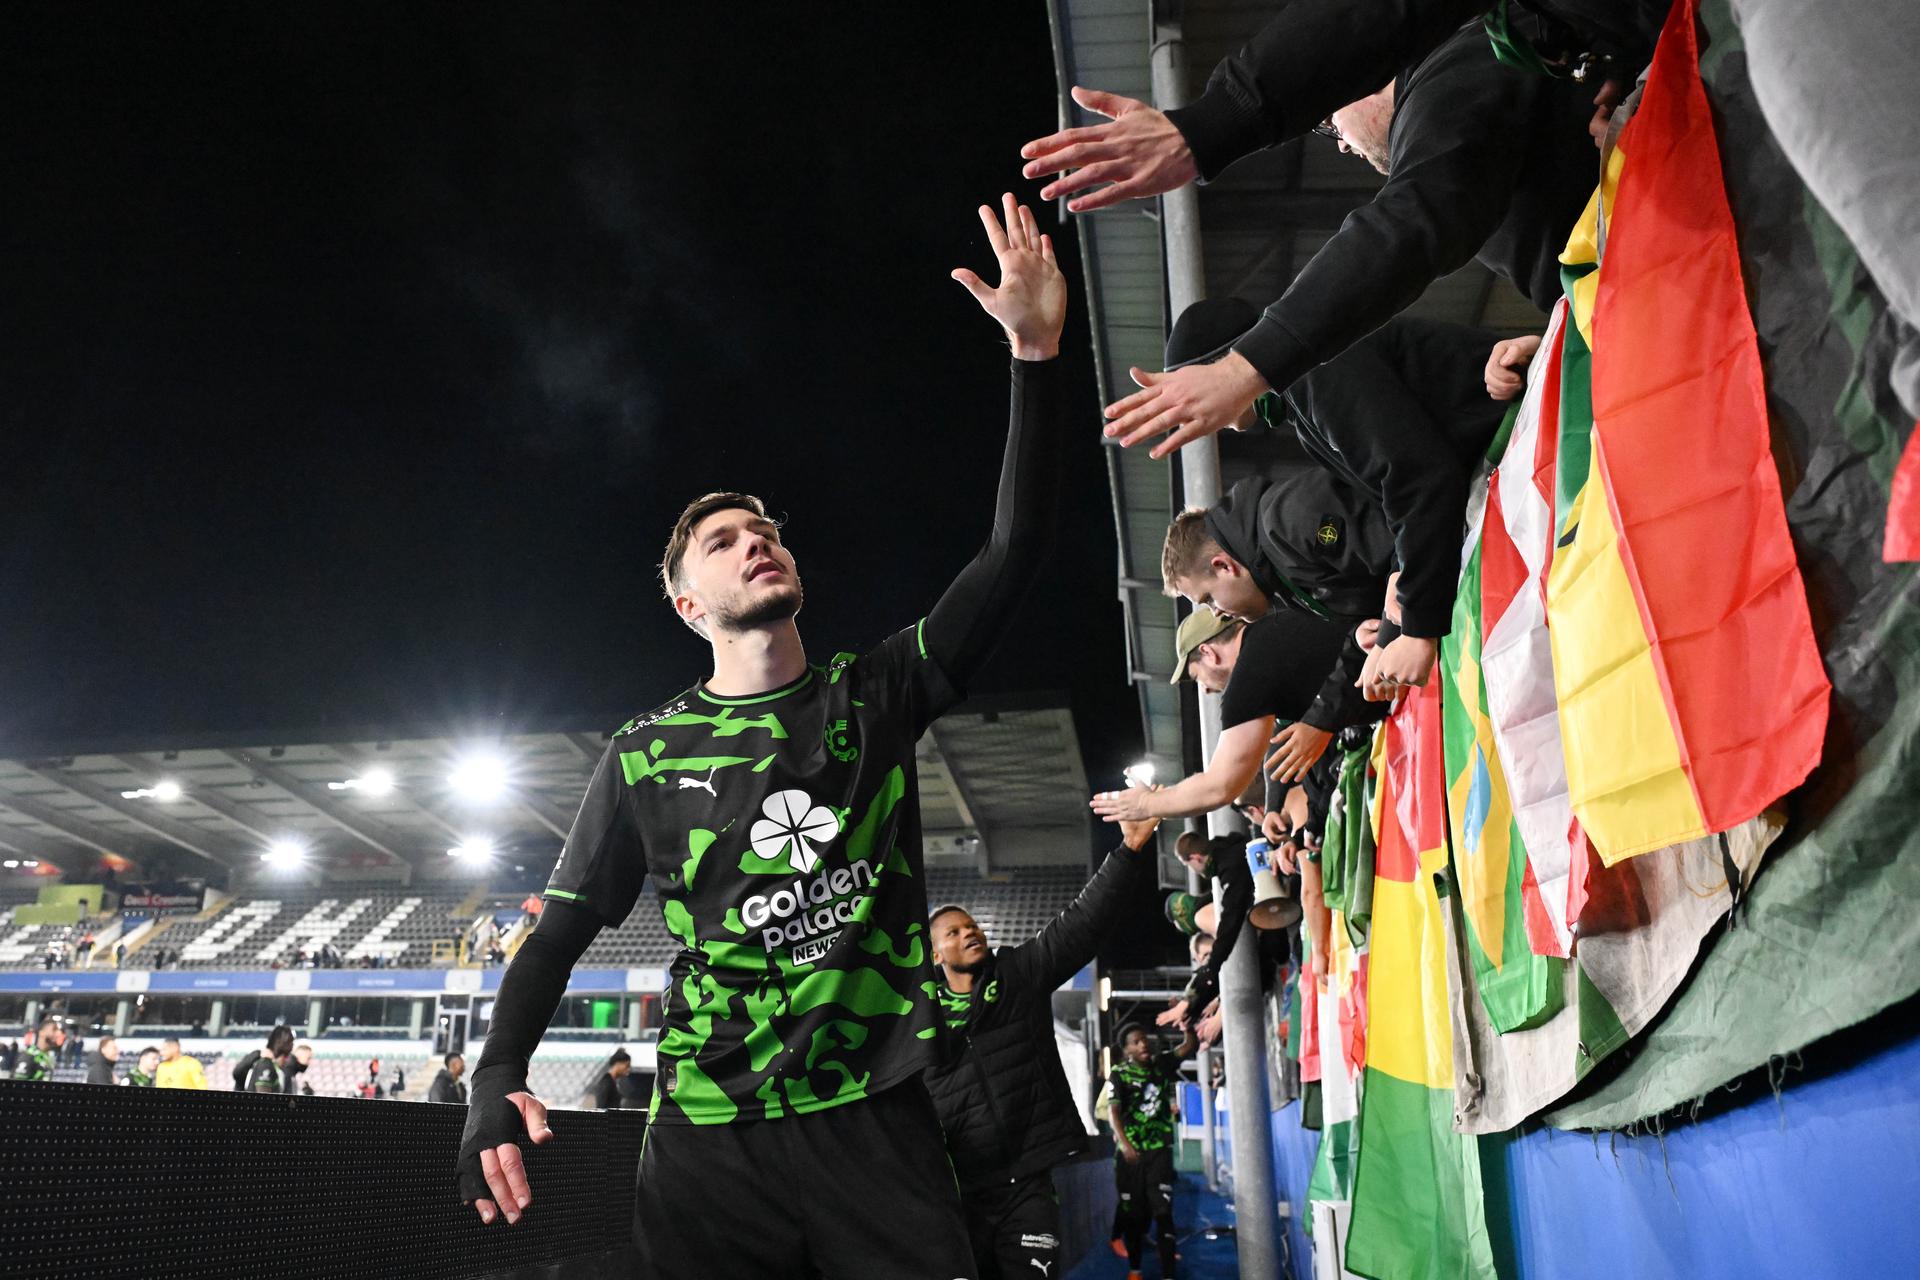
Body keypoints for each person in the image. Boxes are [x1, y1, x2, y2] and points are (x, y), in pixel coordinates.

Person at [455, 193, 1069, 1280]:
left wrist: (1032, 355)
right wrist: (495, 1073)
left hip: (876, 1117)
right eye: (726, 541)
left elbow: (1013, 550)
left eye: (767, 531)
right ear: (689, 605)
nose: (756, 544)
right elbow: (555, 932)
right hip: (706, 1135)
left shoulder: (875, 691)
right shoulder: (643, 753)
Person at [1060, 26, 1594, 463]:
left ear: (1362, 77)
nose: (1340, 143)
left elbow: (1407, 227)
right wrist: (1553, 330)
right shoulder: (1447, 103)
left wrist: (1240, 370)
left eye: (1330, 122)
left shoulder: (1444, 84)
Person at [1158, 299, 1512, 691]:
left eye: (1193, 399)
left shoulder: (1315, 371)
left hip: (1521, 444)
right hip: (1505, 459)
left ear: (1220, 367)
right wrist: (1391, 623)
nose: (1200, 421)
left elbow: (1419, 479)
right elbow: (1394, 500)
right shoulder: (1302, 400)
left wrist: (1417, 630)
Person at [924, 804, 1163, 1280]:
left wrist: (1130, 849)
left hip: (1026, 1187)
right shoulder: (915, 1016)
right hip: (955, 1194)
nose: (968, 931)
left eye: (970, 924)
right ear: (934, 952)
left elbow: (1080, 926)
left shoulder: (1019, 975)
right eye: (953, 931)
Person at [1091, 609, 1384, 841]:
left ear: (1208, 652)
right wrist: (1272, 806)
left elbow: (1220, 787)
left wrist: (1146, 805)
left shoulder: (1248, 678)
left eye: (1197, 678)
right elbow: (1275, 746)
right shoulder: (1272, 627)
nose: (1204, 690)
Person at [1109, 1022, 1198, 1280]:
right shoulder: (1119, 1074)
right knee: (1135, 1217)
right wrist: (1126, 1145)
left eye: (1144, 1039)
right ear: (1127, 1050)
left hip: (1158, 1150)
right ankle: (1135, 1270)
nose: (1143, 1044)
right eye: (1135, 1042)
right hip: (1131, 1156)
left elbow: (1188, 1046)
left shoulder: (1161, 1064)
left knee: (1164, 1212)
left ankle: (1168, 1274)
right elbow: (1113, 1113)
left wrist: (1187, 1026)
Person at [232, 1025, 294, 1093]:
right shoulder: (266, 1064)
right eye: (291, 1042)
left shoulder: (270, 1065)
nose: (293, 1045)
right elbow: (263, 1097)